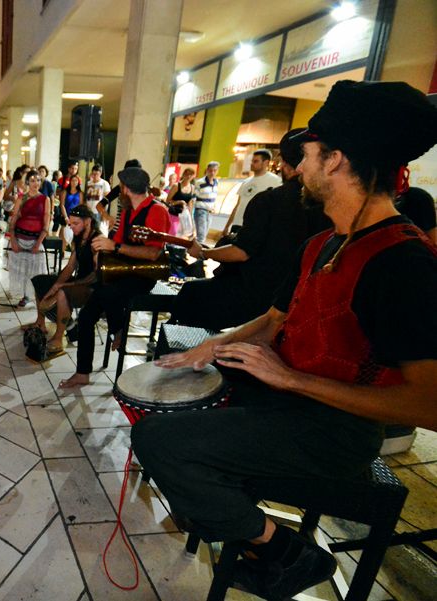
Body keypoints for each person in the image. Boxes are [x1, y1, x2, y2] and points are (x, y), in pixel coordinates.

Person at [137, 80, 437, 601]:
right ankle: (215, 508)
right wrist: (211, 347)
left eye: (309, 155)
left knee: (158, 442)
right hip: (284, 403)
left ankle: (283, 551)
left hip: (335, 435)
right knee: (178, 396)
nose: (299, 167)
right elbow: (275, 319)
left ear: (337, 160)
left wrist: (289, 378)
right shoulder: (322, 242)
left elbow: (429, 404)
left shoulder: (402, 263)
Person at [170, 130, 331, 331]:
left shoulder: (270, 201)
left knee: (191, 293)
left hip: (259, 298)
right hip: (300, 301)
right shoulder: (330, 205)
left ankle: (187, 350)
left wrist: (203, 252)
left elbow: (241, 252)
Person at [60, 166, 170, 388]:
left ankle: (117, 328)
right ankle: (84, 371)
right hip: (119, 271)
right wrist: (100, 251)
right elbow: (115, 244)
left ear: (126, 189)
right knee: (86, 317)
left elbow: (153, 253)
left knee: (106, 290)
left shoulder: (157, 211)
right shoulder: (128, 210)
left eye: (120, 189)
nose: (119, 193)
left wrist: (115, 247)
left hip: (142, 276)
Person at [26, 205, 100, 355]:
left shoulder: (97, 241)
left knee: (62, 292)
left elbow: (96, 276)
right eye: (70, 224)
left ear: (87, 222)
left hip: (92, 287)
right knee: (40, 281)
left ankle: (59, 338)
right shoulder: (78, 238)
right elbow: (70, 266)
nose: (71, 227)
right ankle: (40, 323)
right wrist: (57, 283)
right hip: (78, 282)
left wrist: (64, 285)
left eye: (75, 224)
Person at [7, 170, 52, 307]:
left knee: (35, 270)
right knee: (22, 270)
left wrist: (38, 243)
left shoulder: (46, 199)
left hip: (35, 239)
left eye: (38, 180)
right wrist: (13, 240)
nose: (36, 183)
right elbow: (13, 220)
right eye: (32, 180)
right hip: (19, 238)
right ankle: (24, 295)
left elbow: (46, 222)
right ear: (27, 182)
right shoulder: (22, 198)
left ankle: (34, 295)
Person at [223, 149, 283, 237]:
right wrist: (227, 226)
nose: (252, 164)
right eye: (252, 161)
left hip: (256, 226)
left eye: (256, 161)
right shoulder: (246, 181)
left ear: (266, 162)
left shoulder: (275, 181)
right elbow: (238, 205)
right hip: (238, 224)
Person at [194, 161, 219, 244]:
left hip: (210, 211)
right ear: (207, 170)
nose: (212, 173)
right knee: (201, 235)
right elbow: (194, 196)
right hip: (201, 210)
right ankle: (199, 254)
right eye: (211, 170)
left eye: (215, 171)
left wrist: (214, 207)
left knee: (204, 234)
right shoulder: (200, 182)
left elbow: (214, 197)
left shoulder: (216, 182)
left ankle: (199, 253)